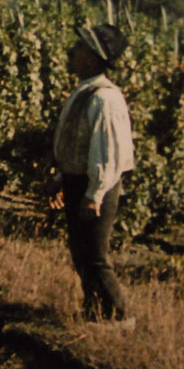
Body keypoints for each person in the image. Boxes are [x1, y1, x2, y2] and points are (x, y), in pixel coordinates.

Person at [46, 23, 136, 327]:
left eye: (80, 49)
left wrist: (94, 195)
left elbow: (106, 152)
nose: (73, 53)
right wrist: (62, 180)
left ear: (94, 59)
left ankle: (120, 317)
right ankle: (94, 312)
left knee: (96, 256)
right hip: (79, 182)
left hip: (96, 186)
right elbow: (77, 144)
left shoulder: (104, 99)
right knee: (80, 253)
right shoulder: (85, 92)